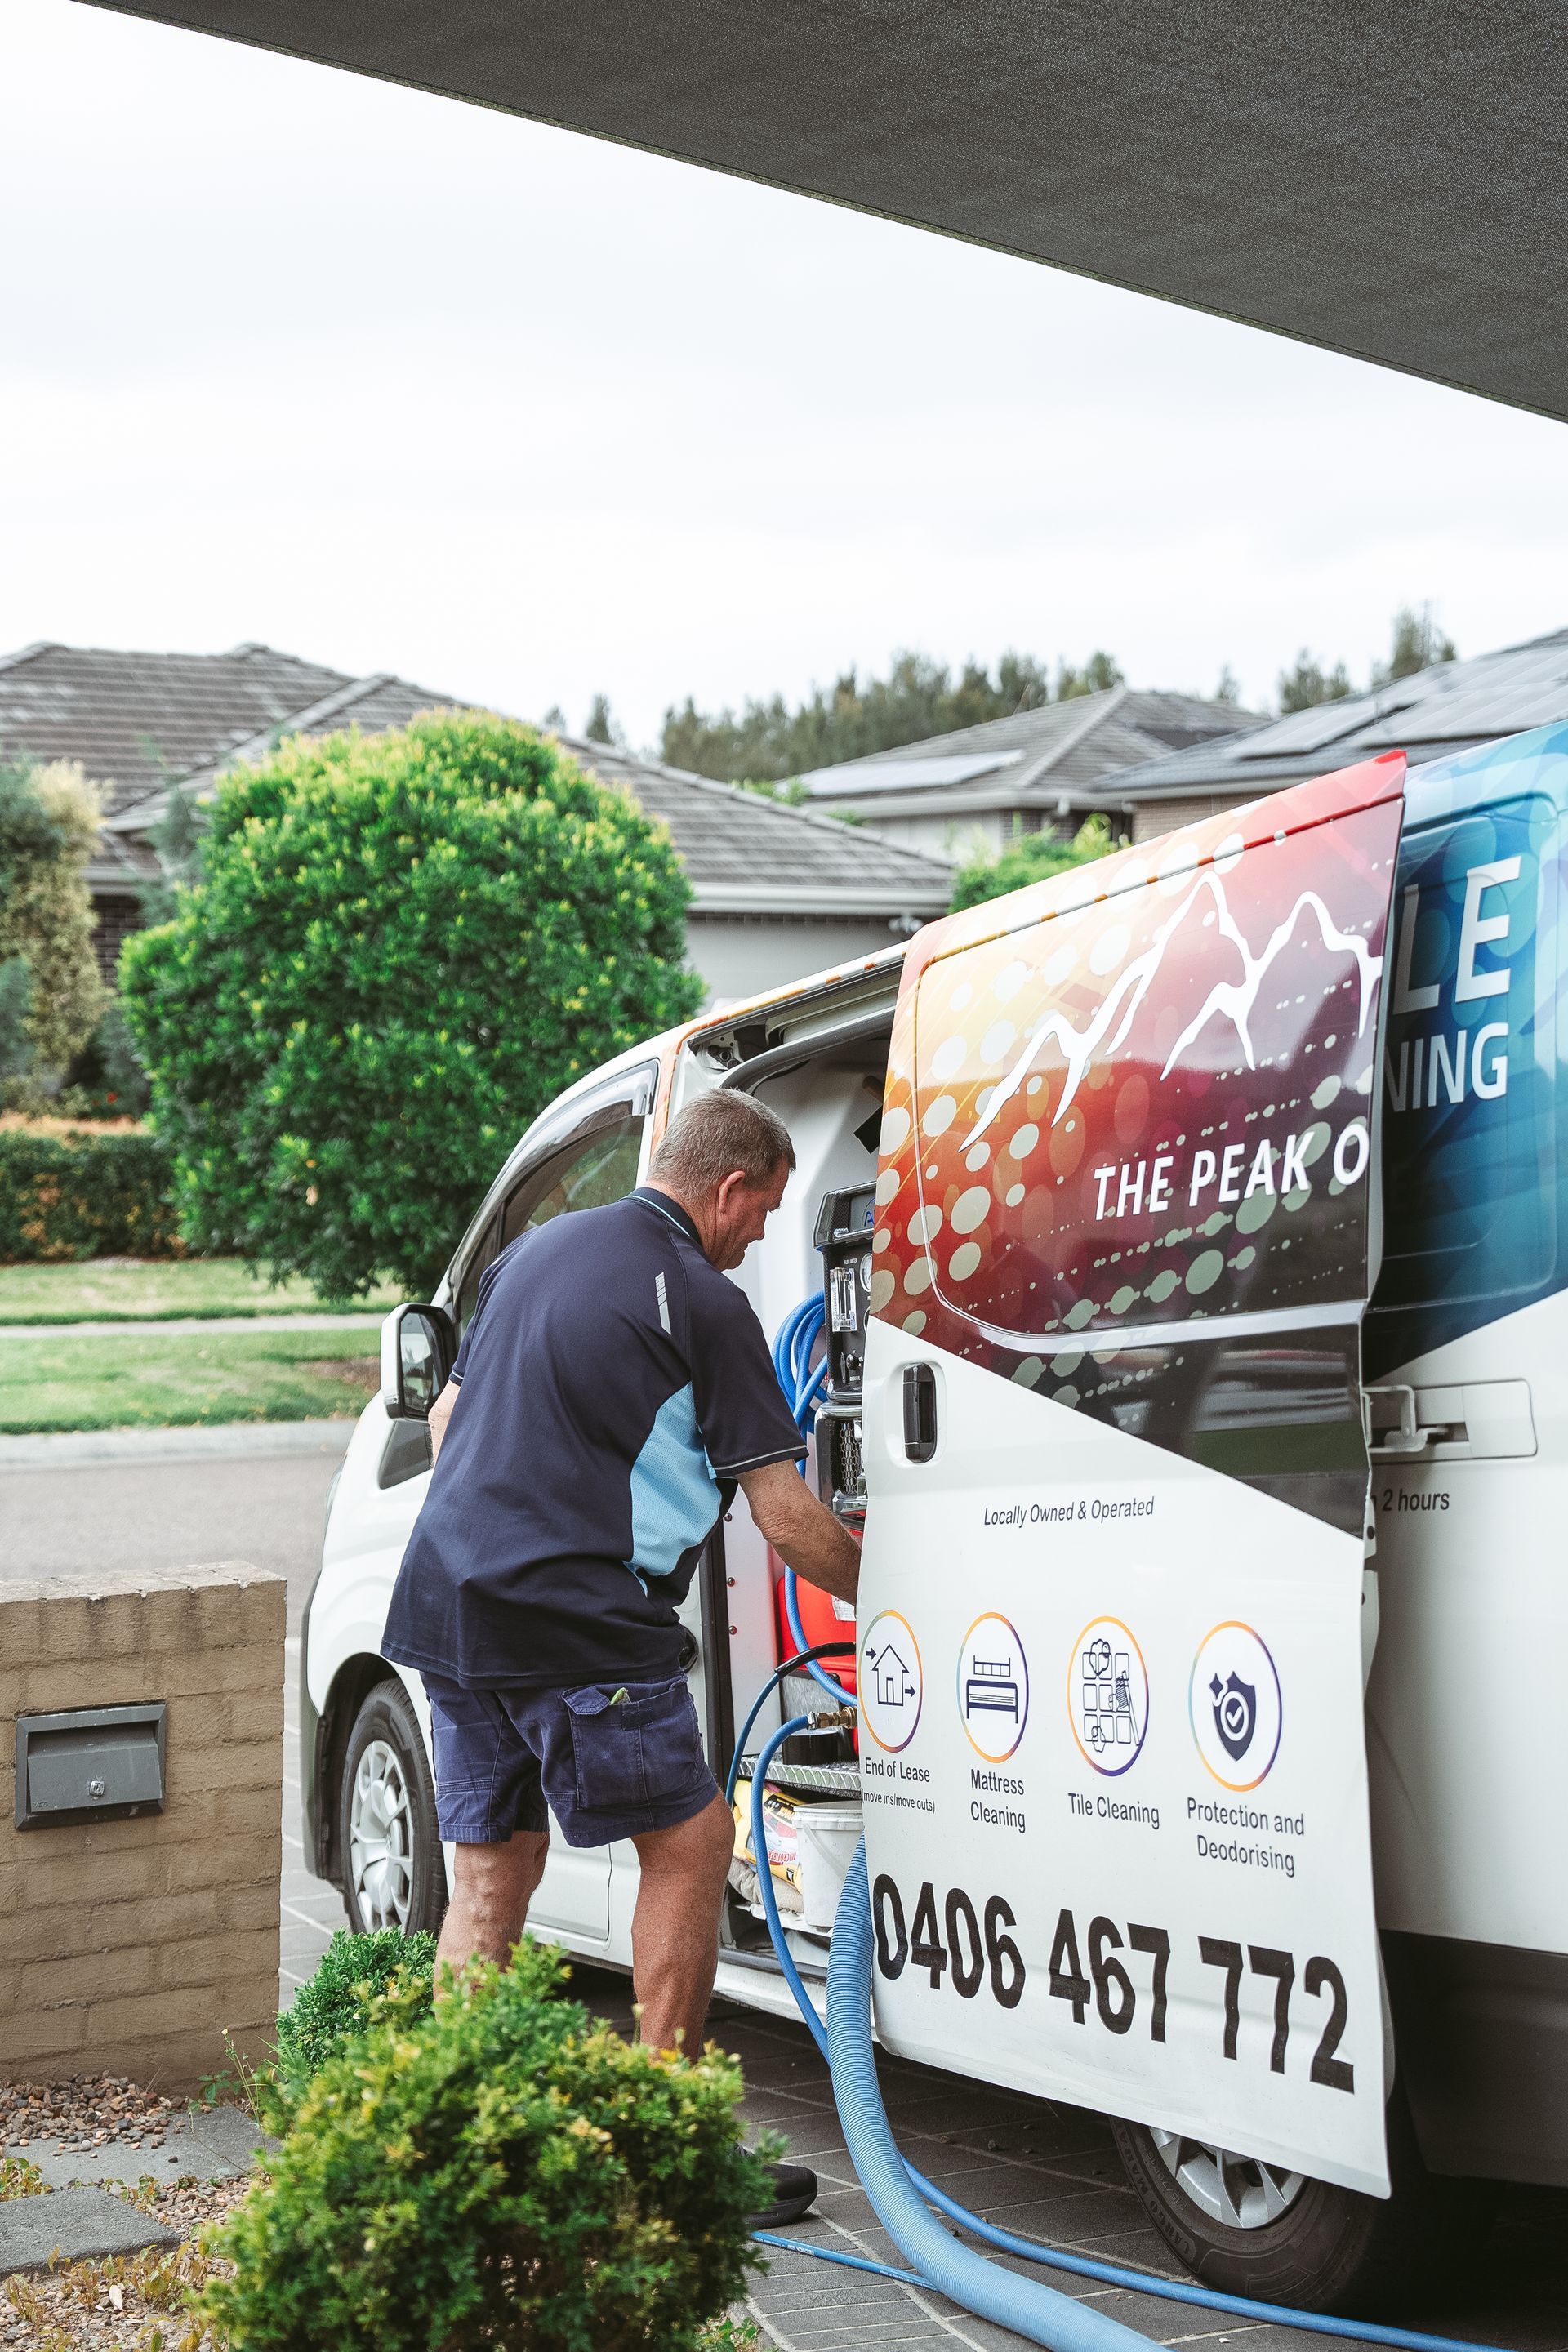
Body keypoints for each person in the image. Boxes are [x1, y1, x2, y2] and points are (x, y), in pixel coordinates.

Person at [382, 1089, 861, 2225]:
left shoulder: (535, 1254)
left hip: (450, 1599)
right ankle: (670, 2145)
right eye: (764, 1213)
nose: (757, 1240)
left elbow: (449, 1427)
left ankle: (462, 2141)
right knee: (693, 1842)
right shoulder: (702, 1300)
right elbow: (787, 1517)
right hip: (574, 1617)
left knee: (492, 1873)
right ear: (730, 1186)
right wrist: (902, 1596)